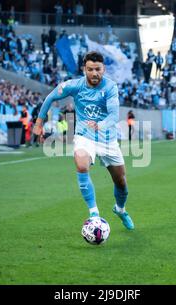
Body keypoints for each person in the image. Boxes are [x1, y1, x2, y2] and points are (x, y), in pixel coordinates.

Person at [33, 51, 134, 230]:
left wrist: (101, 125)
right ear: (84, 69)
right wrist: (39, 123)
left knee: (121, 183)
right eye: (90, 69)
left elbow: (113, 115)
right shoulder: (75, 85)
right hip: (84, 136)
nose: (94, 73)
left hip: (108, 140)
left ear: (103, 69)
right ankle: (94, 214)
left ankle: (120, 209)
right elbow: (51, 97)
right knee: (81, 164)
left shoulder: (110, 87)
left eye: (98, 69)